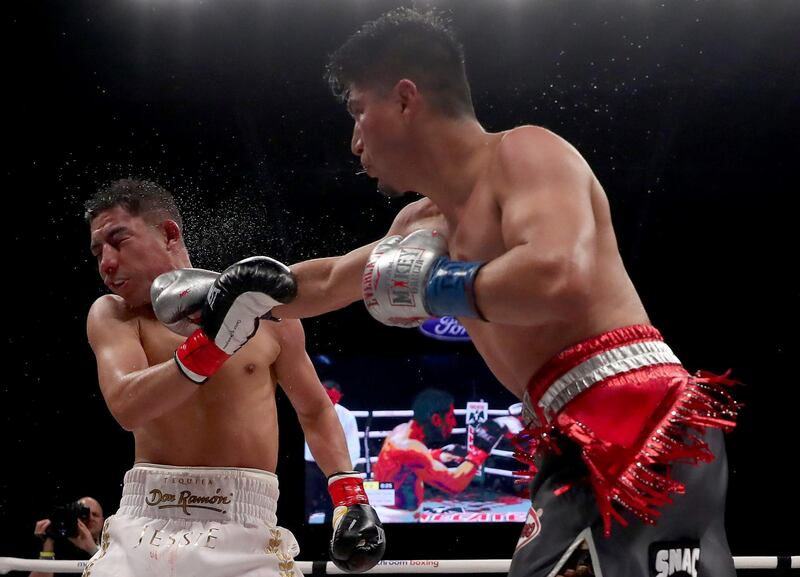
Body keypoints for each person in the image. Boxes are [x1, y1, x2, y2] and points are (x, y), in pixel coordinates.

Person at [168, 8, 738, 576]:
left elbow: (560, 275)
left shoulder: (525, 154)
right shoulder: (423, 223)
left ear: (405, 99)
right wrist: (227, 290)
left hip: (630, 414)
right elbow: (333, 279)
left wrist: (436, 287)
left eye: (359, 111)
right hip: (573, 431)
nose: (353, 140)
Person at [84, 179, 384, 577]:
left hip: (244, 523)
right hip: (146, 524)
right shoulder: (115, 314)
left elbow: (315, 411)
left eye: (118, 241)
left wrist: (351, 498)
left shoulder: (264, 313)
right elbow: (127, 405)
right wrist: (216, 343)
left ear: (169, 233)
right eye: (97, 251)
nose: (106, 262)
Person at [371, 388, 505, 522]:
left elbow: (406, 461)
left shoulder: (401, 430)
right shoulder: (410, 447)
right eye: (451, 417)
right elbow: (454, 483)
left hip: (392, 510)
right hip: (397, 518)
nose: (454, 423)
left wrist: (440, 454)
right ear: (435, 419)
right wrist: (480, 452)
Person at [304, 380, 361, 524]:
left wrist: (347, 470)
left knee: (334, 505)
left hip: (334, 466)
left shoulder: (346, 416)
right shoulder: (305, 410)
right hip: (309, 464)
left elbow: (353, 444)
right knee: (305, 502)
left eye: (332, 396)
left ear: (339, 396)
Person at [29, 497, 104, 577]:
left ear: (103, 521)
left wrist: (92, 549)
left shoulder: (112, 548)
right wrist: (47, 549)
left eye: (95, 514)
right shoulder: (56, 544)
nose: (90, 518)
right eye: (84, 513)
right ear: (74, 514)